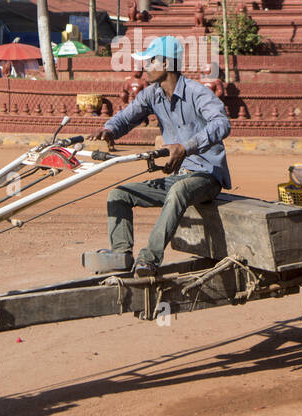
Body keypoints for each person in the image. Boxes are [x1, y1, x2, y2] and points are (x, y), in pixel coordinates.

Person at [92, 35, 231, 278]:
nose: (144, 67)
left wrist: (186, 147)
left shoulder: (197, 93)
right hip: (178, 176)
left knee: (179, 191)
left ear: (165, 64)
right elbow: (127, 116)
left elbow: (222, 124)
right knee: (119, 195)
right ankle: (121, 254)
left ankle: (149, 260)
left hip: (207, 176)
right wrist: (110, 128)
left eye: (149, 61)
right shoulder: (152, 94)